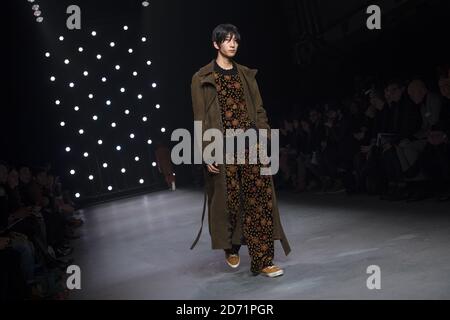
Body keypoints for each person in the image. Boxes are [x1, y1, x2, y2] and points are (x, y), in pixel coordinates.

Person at [190, 23, 291, 277]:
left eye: (235, 40)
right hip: (222, 148)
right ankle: (231, 245)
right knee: (230, 204)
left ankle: (264, 260)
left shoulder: (245, 74)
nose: (232, 44)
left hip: (251, 146)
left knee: (259, 203)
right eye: (227, 40)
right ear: (216, 44)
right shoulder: (202, 78)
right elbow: (200, 119)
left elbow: (259, 109)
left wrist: (265, 135)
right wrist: (206, 151)